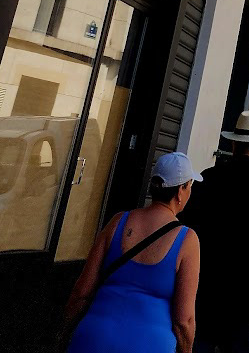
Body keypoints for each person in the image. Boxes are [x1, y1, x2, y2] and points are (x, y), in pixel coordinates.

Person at [63, 150, 202, 353]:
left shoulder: (118, 222)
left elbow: (81, 293)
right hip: (150, 345)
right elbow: (184, 321)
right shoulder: (187, 240)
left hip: (93, 339)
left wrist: (66, 333)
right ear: (181, 191)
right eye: (190, 185)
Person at [181, 110, 249, 352]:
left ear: (233, 144)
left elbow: (187, 230)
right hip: (243, 296)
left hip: (204, 290)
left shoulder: (208, 178)